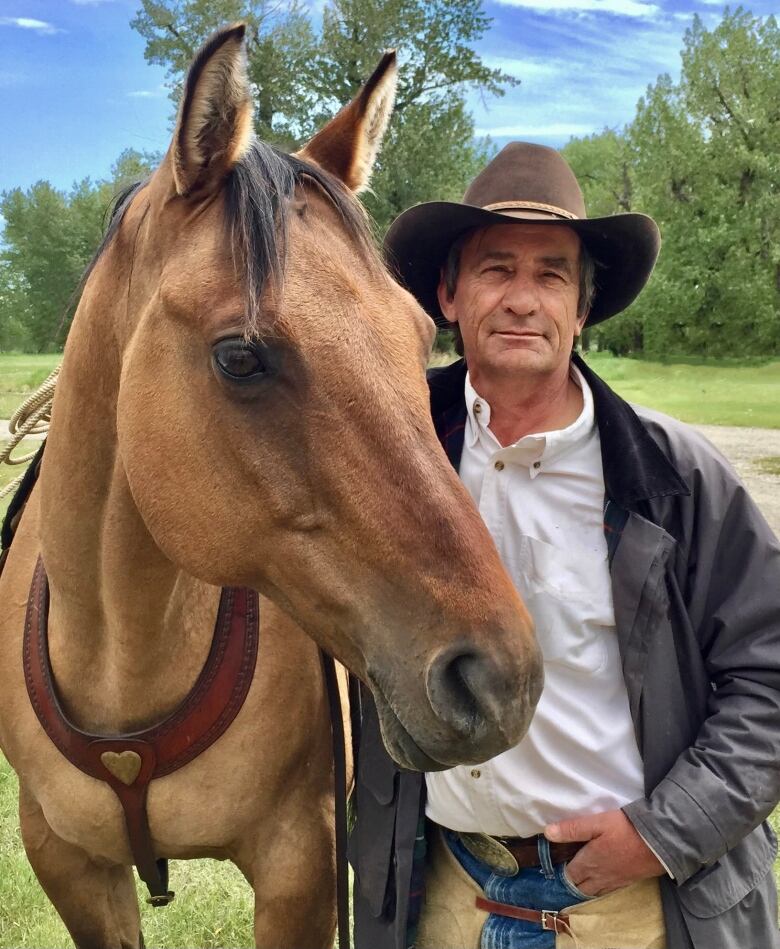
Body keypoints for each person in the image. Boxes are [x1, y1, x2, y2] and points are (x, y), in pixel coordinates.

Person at [349, 142, 780, 949]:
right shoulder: (386, 465)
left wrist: (664, 831)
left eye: (551, 275)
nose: (521, 299)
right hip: (441, 893)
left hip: (635, 909)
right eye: (494, 269)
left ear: (582, 309)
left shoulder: (678, 480)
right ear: (448, 293)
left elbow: (771, 676)